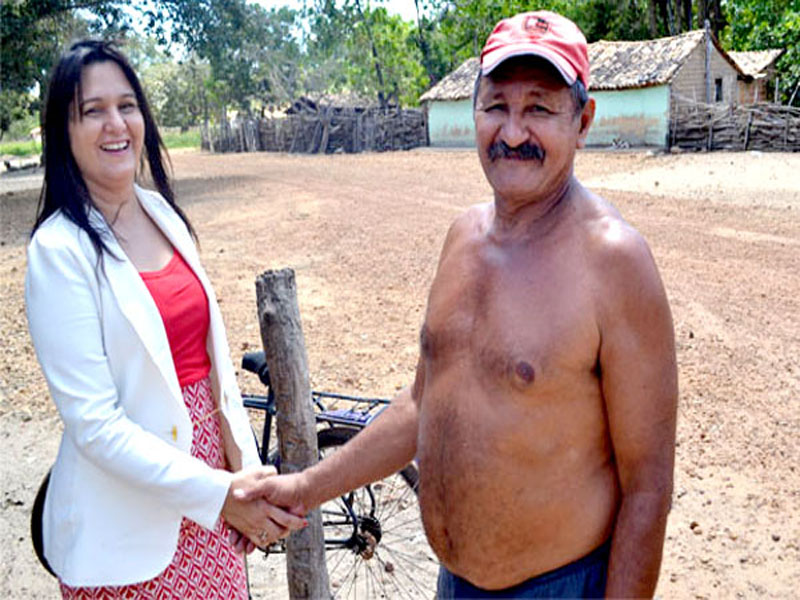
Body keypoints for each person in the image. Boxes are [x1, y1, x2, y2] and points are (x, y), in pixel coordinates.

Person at [238, 10, 678, 599]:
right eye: (496, 106)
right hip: (454, 583)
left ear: (583, 121)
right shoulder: (463, 237)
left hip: (558, 586)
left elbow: (647, 486)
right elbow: (423, 403)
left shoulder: (615, 261)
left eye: (539, 109)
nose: (513, 133)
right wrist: (308, 487)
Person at [25, 40, 305, 598]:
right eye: (93, 110)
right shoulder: (57, 251)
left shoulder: (162, 214)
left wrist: (244, 478)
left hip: (214, 503)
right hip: (128, 529)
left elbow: (215, 370)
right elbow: (95, 426)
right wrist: (218, 495)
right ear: (63, 131)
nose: (116, 124)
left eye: (127, 105)